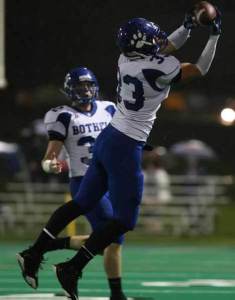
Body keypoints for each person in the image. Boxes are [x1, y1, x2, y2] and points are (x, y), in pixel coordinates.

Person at [17, 7, 221, 300]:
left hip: (109, 137)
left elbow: (165, 46)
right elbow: (200, 67)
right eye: (150, 38)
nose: (158, 40)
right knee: (124, 221)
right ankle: (72, 268)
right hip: (125, 145)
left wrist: (187, 26)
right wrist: (214, 35)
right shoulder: (158, 69)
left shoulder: (126, 59)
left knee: (82, 202)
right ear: (142, 45)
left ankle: (34, 253)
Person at [17, 67, 127, 300]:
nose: (85, 90)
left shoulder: (109, 108)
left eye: (88, 85)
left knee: (113, 240)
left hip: (111, 181)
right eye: (80, 86)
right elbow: (49, 157)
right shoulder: (62, 115)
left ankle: (42, 249)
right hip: (85, 179)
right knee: (111, 236)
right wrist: (51, 165)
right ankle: (109, 290)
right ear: (69, 90)